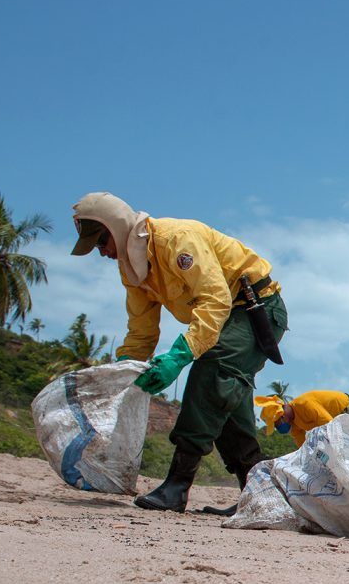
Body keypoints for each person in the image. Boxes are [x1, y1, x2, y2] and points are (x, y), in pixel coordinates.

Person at [70, 192, 288, 516]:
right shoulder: (133, 270)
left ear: (115, 228)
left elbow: (214, 300)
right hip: (228, 317)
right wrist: (125, 374)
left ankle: (176, 486)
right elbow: (141, 331)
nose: (102, 252)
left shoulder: (175, 240)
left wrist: (178, 356)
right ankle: (260, 497)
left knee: (212, 371)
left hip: (256, 309)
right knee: (226, 399)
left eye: (101, 241)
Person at [256, 390, 349, 446]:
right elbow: (303, 447)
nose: (278, 427)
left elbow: (330, 427)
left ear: (282, 415)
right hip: (338, 421)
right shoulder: (294, 425)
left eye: (277, 424)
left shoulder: (304, 404)